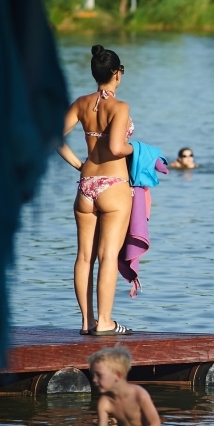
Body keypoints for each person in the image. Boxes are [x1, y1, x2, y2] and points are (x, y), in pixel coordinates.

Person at [57, 45, 134, 336]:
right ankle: (105, 322)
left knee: (84, 256)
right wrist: (137, 149)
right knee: (108, 256)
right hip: (113, 186)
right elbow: (116, 148)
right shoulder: (120, 107)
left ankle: (87, 322)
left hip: (86, 186)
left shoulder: (81, 103)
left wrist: (79, 164)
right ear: (117, 74)